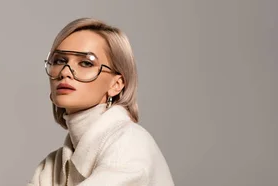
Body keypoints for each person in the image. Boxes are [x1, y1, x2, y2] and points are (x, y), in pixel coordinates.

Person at [27, 18, 174, 186]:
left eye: (86, 63)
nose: (65, 72)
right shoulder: (52, 166)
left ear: (116, 84)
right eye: (60, 60)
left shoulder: (130, 143)